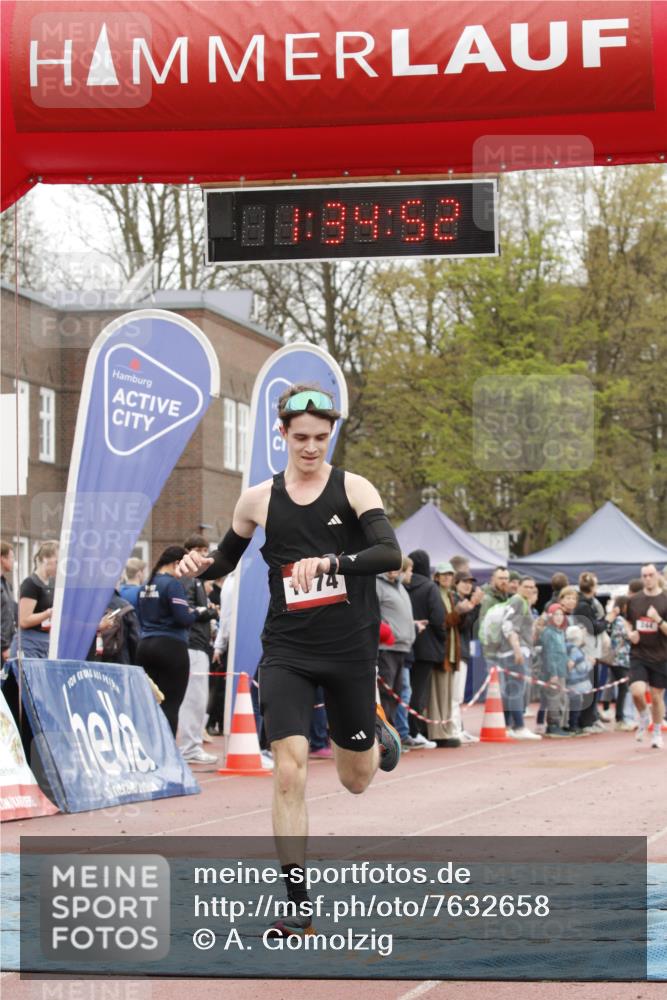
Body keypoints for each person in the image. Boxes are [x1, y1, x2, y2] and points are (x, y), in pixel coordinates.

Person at [176, 383, 402, 933]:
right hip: (288, 649)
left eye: (321, 438)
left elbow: (388, 553)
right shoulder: (257, 499)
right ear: (282, 434)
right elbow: (226, 560)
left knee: (355, 780)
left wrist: (331, 562)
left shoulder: (354, 489)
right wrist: (196, 567)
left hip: (349, 649)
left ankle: (372, 731)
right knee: (288, 772)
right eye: (301, 438)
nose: (311, 448)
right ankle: (297, 906)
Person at [136, 546, 199, 737]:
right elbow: (183, 618)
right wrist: (197, 613)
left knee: (147, 704)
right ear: (176, 563)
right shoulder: (171, 585)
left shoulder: (147, 584)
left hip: (145, 645)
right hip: (170, 647)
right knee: (171, 704)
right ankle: (168, 753)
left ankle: (147, 748)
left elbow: (139, 615)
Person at [177, 535, 220, 764]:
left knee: (198, 697)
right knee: (193, 697)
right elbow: (188, 610)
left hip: (199, 644)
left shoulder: (196, 581)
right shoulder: (186, 579)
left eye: (205, 550)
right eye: (198, 550)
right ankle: (189, 747)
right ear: (187, 552)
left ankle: (191, 745)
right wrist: (210, 612)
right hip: (192, 644)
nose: (203, 554)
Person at [404, 550, 449, 744]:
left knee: (404, 690)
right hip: (427, 645)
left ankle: (405, 729)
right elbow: (439, 618)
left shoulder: (401, 585)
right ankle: (414, 732)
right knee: (418, 691)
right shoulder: (430, 587)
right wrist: (442, 638)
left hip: (405, 643)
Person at [376, 559, 421, 729]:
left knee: (396, 694)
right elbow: (372, 614)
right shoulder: (377, 585)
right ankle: (383, 736)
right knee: (386, 694)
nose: (393, 569)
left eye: (397, 566)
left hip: (402, 648)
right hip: (386, 649)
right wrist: (386, 632)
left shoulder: (399, 586)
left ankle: (389, 734)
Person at [626, 563, 667, 749]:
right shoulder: (635, 600)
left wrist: (658, 620)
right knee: (636, 691)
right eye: (645, 575)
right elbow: (627, 623)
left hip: (661, 655)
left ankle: (657, 732)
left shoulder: (665, 599)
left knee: (657, 697)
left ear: (657, 575)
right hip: (639, 654)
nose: (648, 578)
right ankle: (644, 716)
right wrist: (630, 634)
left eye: (651, 575)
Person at [496, 576, 541, 739]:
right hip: (515, 651)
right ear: (519, 587)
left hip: (513, 650)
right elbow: (508, 625)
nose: (530, 590)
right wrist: (517, 649)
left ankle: (508, 725)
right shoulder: (518, 601)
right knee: (517, 690)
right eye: (527, 586)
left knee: (512, 689)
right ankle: (519, 726)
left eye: (532, 587)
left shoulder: (521, 602)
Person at [427, 562, 461, 747]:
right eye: (443, 574)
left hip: (451, 651)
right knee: (437, 694)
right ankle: (437, 732)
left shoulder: (451, 596)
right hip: (440, 650)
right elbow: (440, 621)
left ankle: (446, 729)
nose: (447, 577)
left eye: (450, 574)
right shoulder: (435, 594)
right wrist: (462, 610)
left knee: (447, 694)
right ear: (437, 577)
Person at [9, 541, 58, 659]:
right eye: (57, 561)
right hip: (28, 644)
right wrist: (48, 613)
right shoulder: (30, 584)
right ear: (46, 559)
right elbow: (24, 621)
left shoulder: (52, 583)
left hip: (45, 642)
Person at [452, 571, 482, 743]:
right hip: (455, 652)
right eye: (464, 581)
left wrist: (474, 606)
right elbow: (464, 624)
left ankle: (458, 728)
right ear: (456, 583)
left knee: (459, 696)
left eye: (470, 582)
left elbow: (470, 626)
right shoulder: (455, 600)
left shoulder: (465, 602)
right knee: (455, 695)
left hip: (462, 650)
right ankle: (455, 730)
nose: (468, 585)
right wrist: (473, 604)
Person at [602, 595, 634, 731]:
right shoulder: (620, 621)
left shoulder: (617, 620)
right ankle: (620, 718)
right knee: (623, 688)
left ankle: (613, 712)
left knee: (617, 686)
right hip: (619, 659)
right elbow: (629, 636)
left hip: (618, 658)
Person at [540, 604, 571, 737]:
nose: (558, 617)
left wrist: (567, 660)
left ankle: (560, 724)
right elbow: (549, 653)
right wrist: (553, 673)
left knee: (561, 698)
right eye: (556, 614)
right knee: (554, 698)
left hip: (561, 670)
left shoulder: (560, 632)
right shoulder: (548, 632)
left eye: (561, 615)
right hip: (553, 672)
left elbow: (561, 652)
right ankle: (552, 725)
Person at [1, 541, 17, 662]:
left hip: (9, 646)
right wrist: (4, 646)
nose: (13, 562)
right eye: (12, 557)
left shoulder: (6, 584)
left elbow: (10, 614)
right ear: (2, 558)